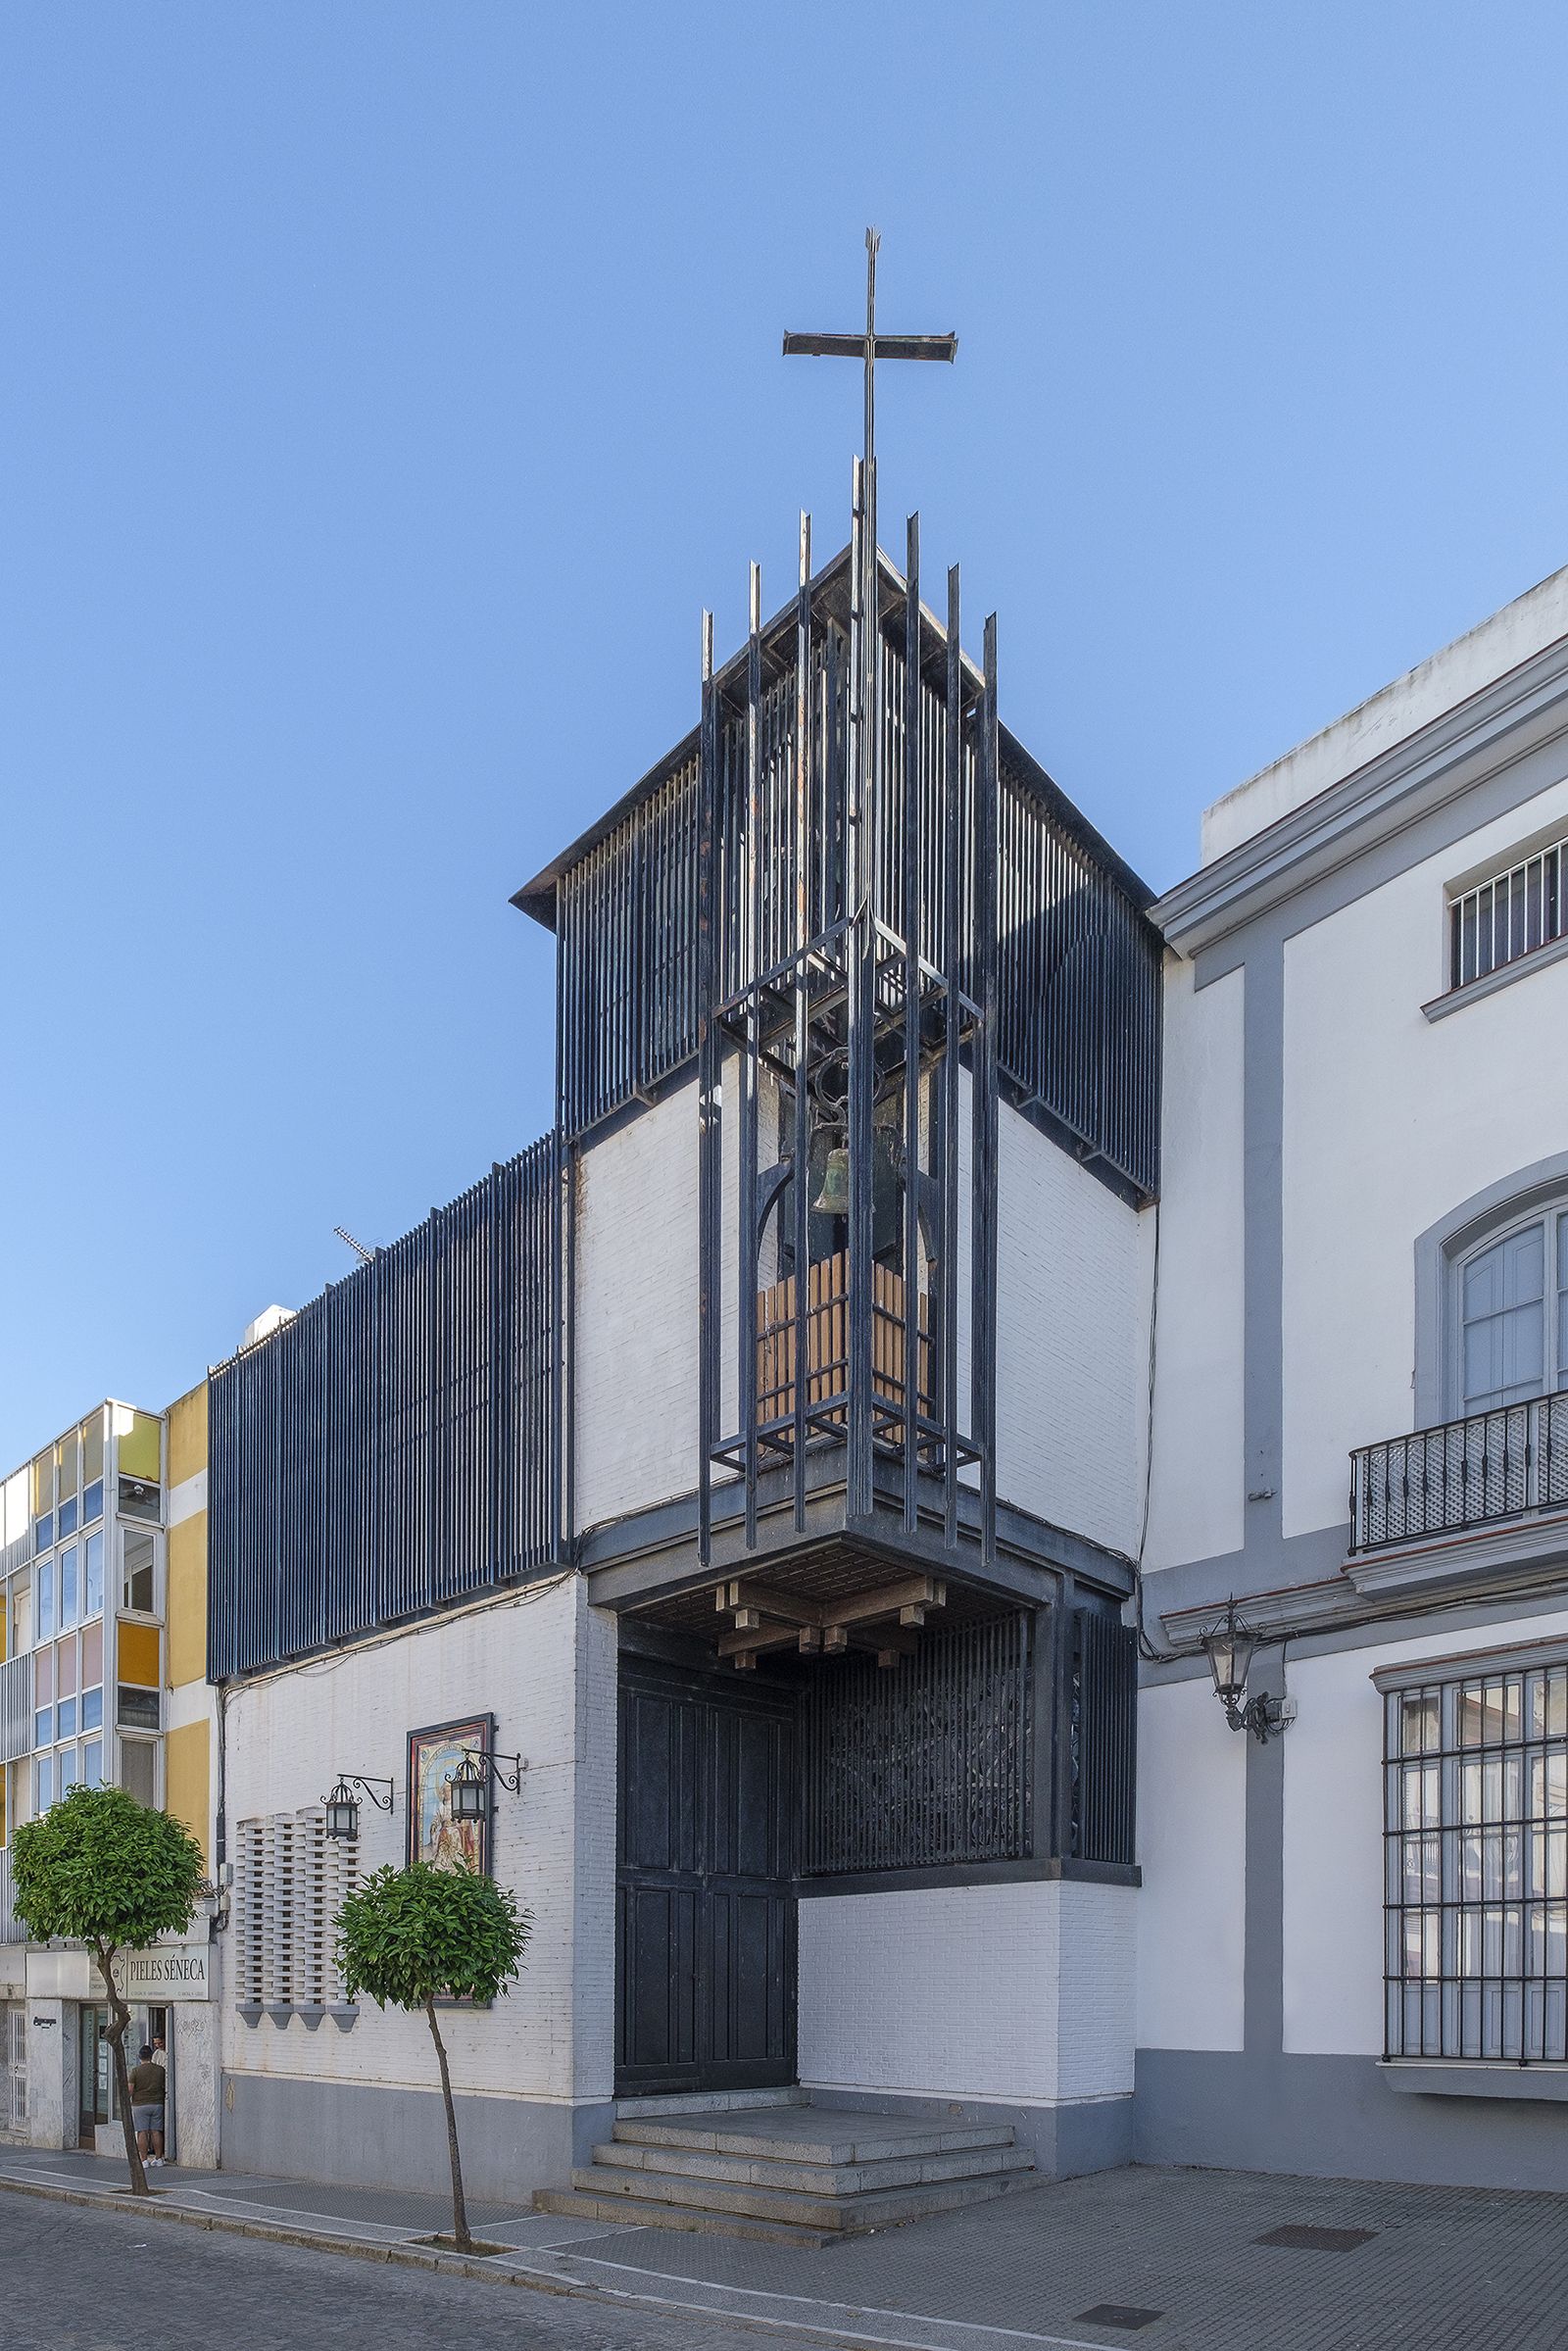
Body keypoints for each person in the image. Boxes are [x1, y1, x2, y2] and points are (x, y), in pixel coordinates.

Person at [128, 2042, 165, 2169]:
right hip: (157, 2103)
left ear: (139, 2057)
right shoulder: (160, 2070)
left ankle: (144, 2160)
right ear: (151, 2056)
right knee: (156, 2131)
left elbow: (130, 2090)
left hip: (140, 2104)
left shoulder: (135, 2071)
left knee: (142, 2132)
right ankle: (159, 2158)